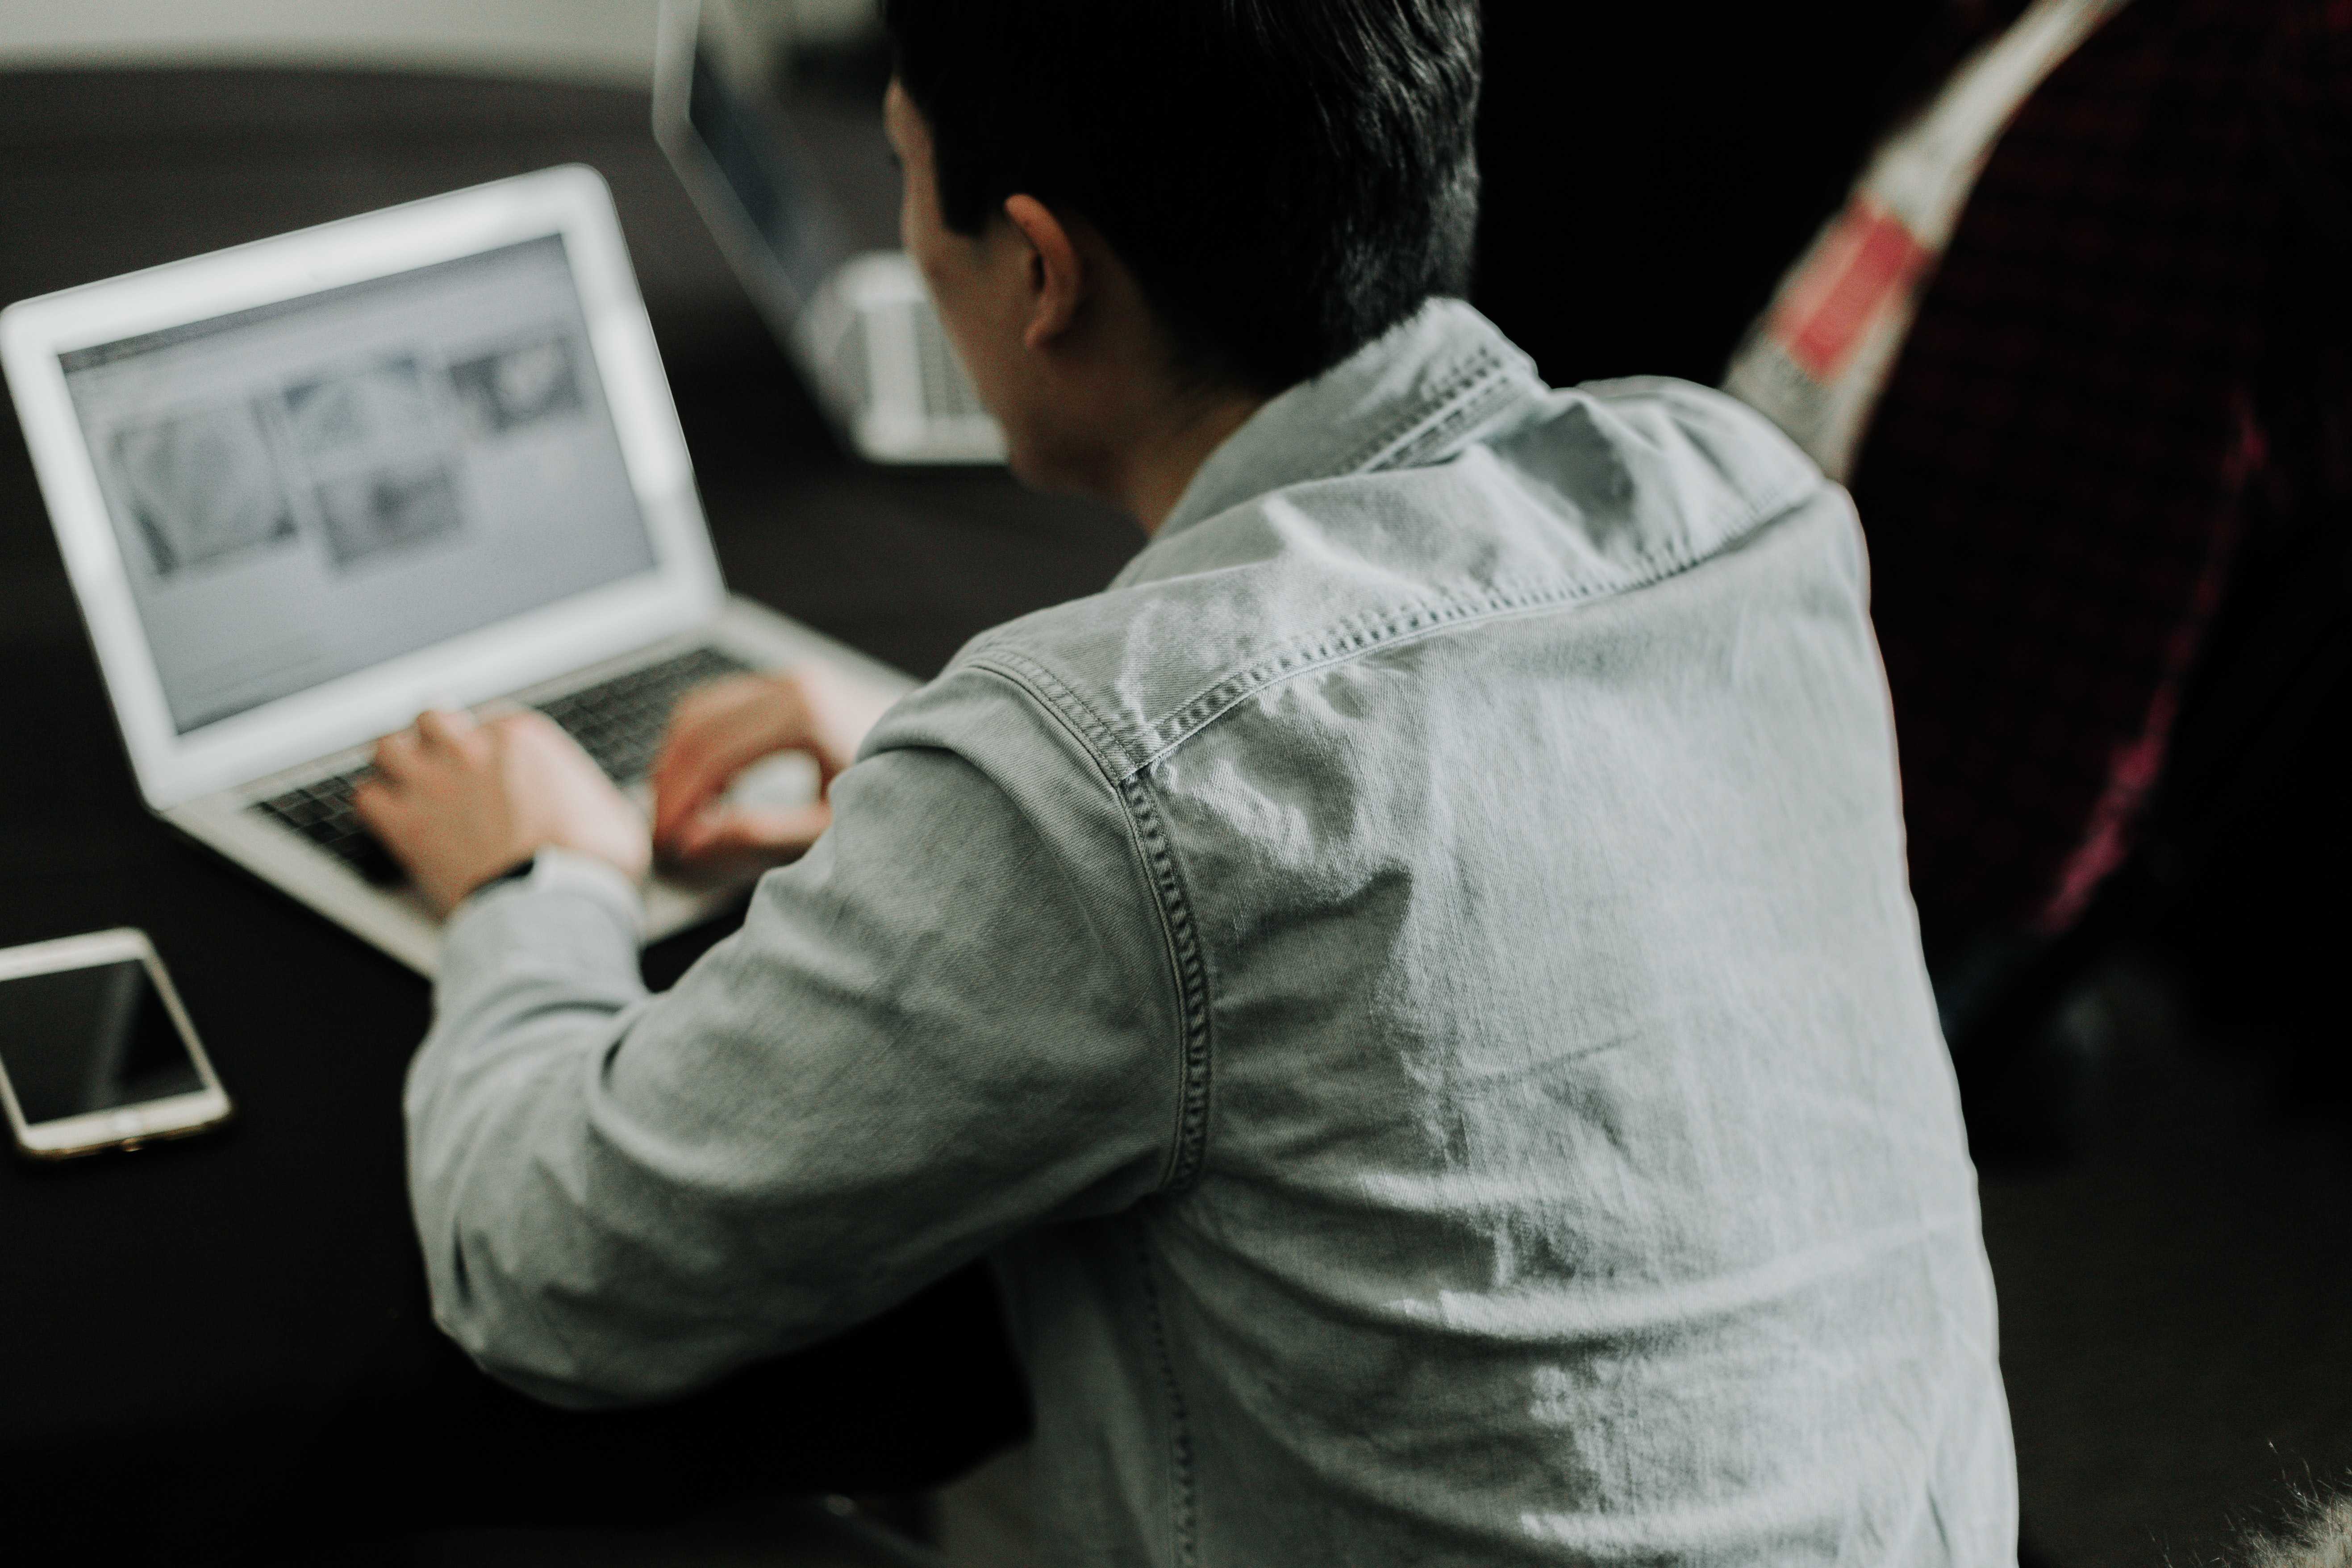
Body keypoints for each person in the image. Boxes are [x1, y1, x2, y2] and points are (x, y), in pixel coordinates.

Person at [351, 1, 2018, 1561]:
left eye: (909, 185)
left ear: (1041, 275)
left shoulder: (1107, 778)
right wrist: (955, 789)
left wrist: (534, 883)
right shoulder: (1740, 500)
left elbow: (552, 1269)